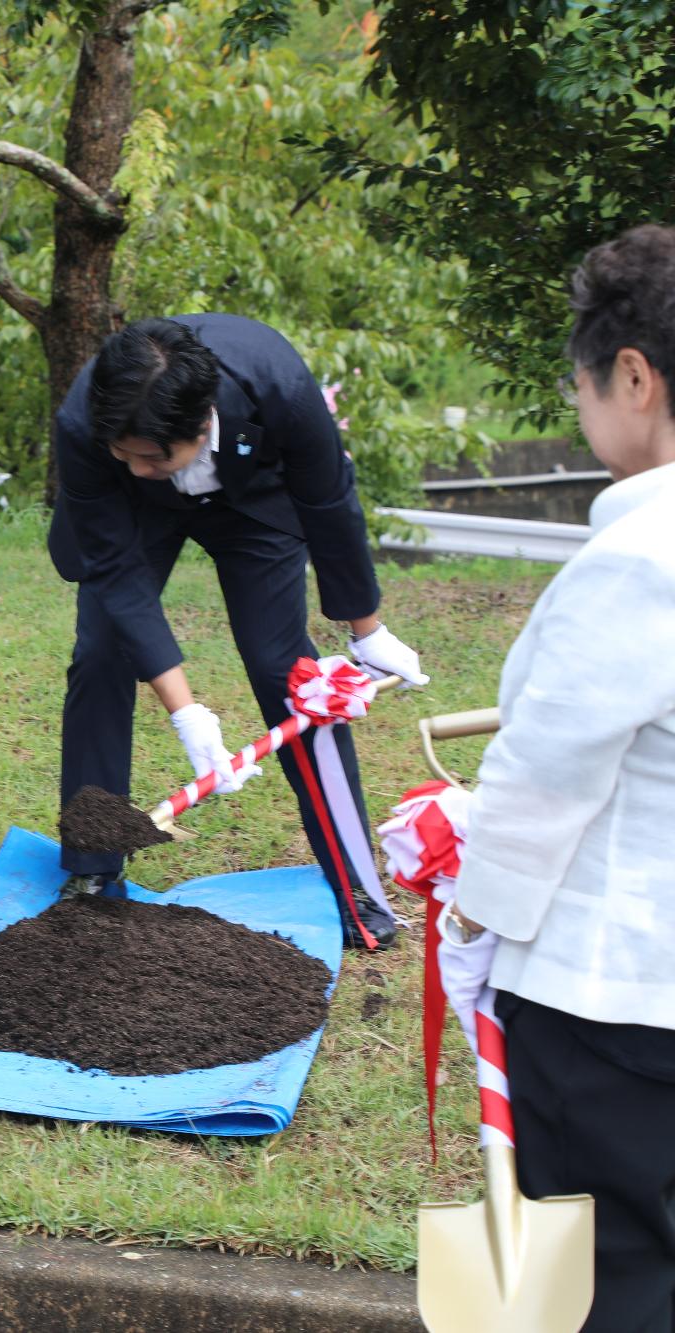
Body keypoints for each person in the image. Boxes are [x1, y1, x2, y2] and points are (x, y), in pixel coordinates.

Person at [441, 223, 675, 1331]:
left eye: (583, 384)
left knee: (602, 1272)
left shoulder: (638, 559)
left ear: (633, 376)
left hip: (614, 996)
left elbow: (545, 772)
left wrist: (471, 910)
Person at [48, 314, 427, 949]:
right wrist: (187, 712)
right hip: (133, 520)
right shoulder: (90, 423)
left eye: (149, 456)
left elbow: (330, 501)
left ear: (201, 426)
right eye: (123, 453)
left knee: (289, 672)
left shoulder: (277, 383)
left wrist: (367, 631)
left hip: (254, 501)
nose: (133, 464)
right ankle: (92, 869)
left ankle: (356, 885)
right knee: (101, 654)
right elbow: (115, 572)